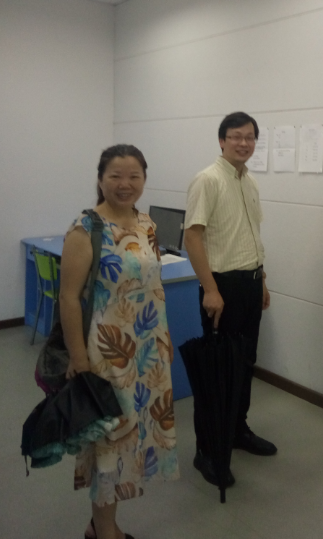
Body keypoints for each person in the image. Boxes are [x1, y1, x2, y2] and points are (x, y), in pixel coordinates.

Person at [59, 144, 179, 539]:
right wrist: (78, 357)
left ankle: (100, 525)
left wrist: (163, 339)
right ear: (100, 179)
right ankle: (105, 532)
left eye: (134, 176)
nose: (125, 184)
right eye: (115, 176)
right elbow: (68, 298)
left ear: (144, 180)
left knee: (132, 440)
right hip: (106, 354)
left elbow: (153, 285)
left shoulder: (146, 223)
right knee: (110, 444)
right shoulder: (86, 228)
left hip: (147, 349)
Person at [184, 111, 276, 488]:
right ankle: (206, 450)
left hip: (250, 285)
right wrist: (210, 289)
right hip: (221, 287)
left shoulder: (249, 181)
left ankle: (237, 431)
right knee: (217, 372)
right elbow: (192, 237)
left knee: (244, 364)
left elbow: (251, 235)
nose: (243, 143)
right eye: (236, 136)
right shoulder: (207, 180)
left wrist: (262, 281)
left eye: (250, 137)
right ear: (222, 141)